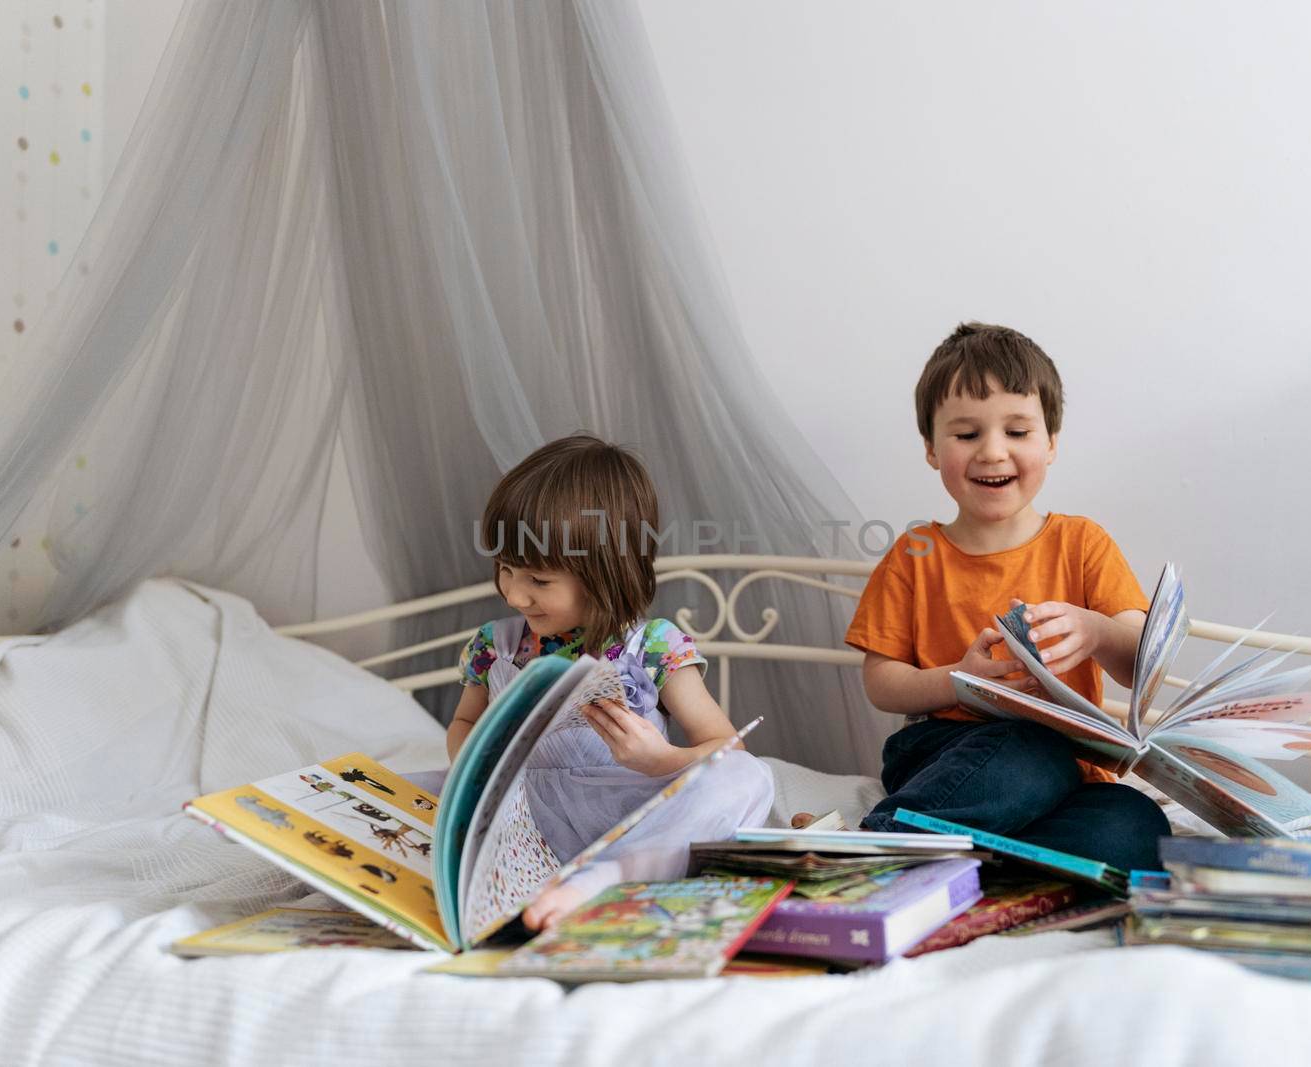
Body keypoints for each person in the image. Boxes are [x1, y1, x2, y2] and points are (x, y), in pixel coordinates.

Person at [847, 322, 1170, 871]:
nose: (992, 452)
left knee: (1139, 830)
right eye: (966, 434)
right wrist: (957, 680)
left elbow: (1140, 657)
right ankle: (874, 844)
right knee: (1032, 753)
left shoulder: (1082, 542)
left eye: (1017, 432)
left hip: (1070, 766)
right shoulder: (914, 552)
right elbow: (881, 682)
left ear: (1051, 443)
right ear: (930, 448)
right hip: (942, 754)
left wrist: (1094, 630)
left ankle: (966, 860)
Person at [451, 433, 774, 928]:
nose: (515, 595)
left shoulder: (654, 647)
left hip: (631, 826)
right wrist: (476, 768)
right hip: (522, 822)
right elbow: (464, 722)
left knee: (749, 776)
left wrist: (661, 761)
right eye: (506, 570)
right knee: (406, 792)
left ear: (605, 574)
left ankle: (600, 882)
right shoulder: (495, 645)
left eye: (538, 581)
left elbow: (725, 746)